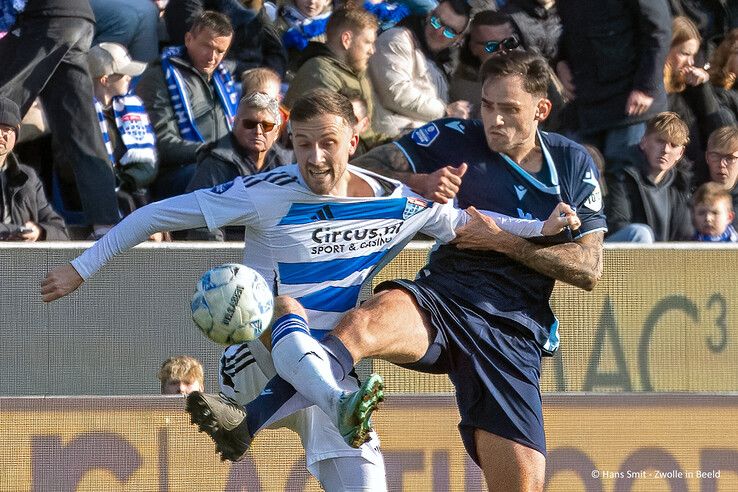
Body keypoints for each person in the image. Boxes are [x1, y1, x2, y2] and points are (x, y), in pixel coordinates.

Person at [40, 89, 578, 490]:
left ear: (354, 140)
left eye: (327, 144)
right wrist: (81, 268)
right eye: (301, 145)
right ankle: (316, 406)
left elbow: (467, 223)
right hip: (256, 360)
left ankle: (313, 409)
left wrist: (543, 229)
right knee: (282, 303)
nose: (315, 158)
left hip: (328, 368)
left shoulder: (395, 202)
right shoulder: (266, 193)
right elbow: (157, 213)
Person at [186, 51, 604, 491]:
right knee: (363, 323)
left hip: (514, 330)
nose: (494, 120)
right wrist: (421, 183)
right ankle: (248, 420)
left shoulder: (572, 163)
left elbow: (587, 268)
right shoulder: (450, 136)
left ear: (541, 110)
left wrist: (498, 239)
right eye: (486, 105)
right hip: (442, 299)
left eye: (509, 110)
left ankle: (253, 417)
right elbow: (365, 166)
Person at [0, 0, 121, 236]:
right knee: (82, 129)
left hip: (44, 18)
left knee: (2, 108)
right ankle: (106, 226)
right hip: (78, 18)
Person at [556, 0, 672, 164]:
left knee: (624, 180)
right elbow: (568, 27)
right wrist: (561, 61)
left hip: (631, 107)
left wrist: (645, 87)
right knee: (577, 176)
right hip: (585, 105)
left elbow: (659, 30)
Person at [136, 10, 236, 200]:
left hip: (220, 166)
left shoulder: (223, 80)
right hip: (176, 173)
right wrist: (210, 150)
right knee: (220, 176)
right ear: (189, 39)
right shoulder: (158, 78)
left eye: (220, 51)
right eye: (207, 46)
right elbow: (160, 143)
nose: (212, 57)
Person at [184, 92, 289, 240]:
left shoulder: (287, 164)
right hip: (230, 253)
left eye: (266, 126)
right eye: (249, 124)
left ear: (277, 131)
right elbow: (203, 224)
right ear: (235, 125)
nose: (258, 131)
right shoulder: (215, 163)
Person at [284, 6, 386, 150]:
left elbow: (368, 132)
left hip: (362, 149)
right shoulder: (319, 73)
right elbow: (326, 136)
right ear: (346, 40)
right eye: (368, 42)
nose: (372, 50)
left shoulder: (357, 71)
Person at [368, 0, 472, 137]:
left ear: (458, 39)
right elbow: (395, 93)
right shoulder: (397, 39)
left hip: (422, 139)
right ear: (429, 16)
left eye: (449, 31)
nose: (438, 31)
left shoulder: (442, 64)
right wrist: (446, 112)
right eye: (437, 21)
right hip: (392, 140)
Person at [87, 43, 158, 214]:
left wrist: (127, 180)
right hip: (97, 195)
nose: (129, 77)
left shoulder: (132, 107)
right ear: (105, 80)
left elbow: (148, 162)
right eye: (124, 73)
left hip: (133, 190)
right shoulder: (80, 114)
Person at [604, 112, 694, 243]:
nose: (666, 150)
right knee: (640, 233)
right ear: (643, 142)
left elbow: (685, 234)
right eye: (660, 141)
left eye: (673, 145)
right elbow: (618, 225)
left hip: (665, 259)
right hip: (622, 256)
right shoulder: (621, 176)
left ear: (680, 153)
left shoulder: (681, 183)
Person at [664, 16, 735, 170]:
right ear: (666, 48)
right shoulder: (656, 93)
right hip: (681, 173)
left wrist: (703, 87)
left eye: (693, 56)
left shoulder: (687, 87)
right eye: (684, 53)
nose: (690, 62)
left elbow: (717, 128)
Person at [0, 96, 68, 241]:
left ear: (17, 133)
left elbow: (60, 230)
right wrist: (13, 231)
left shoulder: (27, 177)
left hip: (23, 260)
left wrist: (39, 231)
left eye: (7, 129)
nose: (1, 135)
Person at [702, 125, 738, 227]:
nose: (722, 164)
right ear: (707, 157)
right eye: (715, 156)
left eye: (730, 158)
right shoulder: (691, 194)